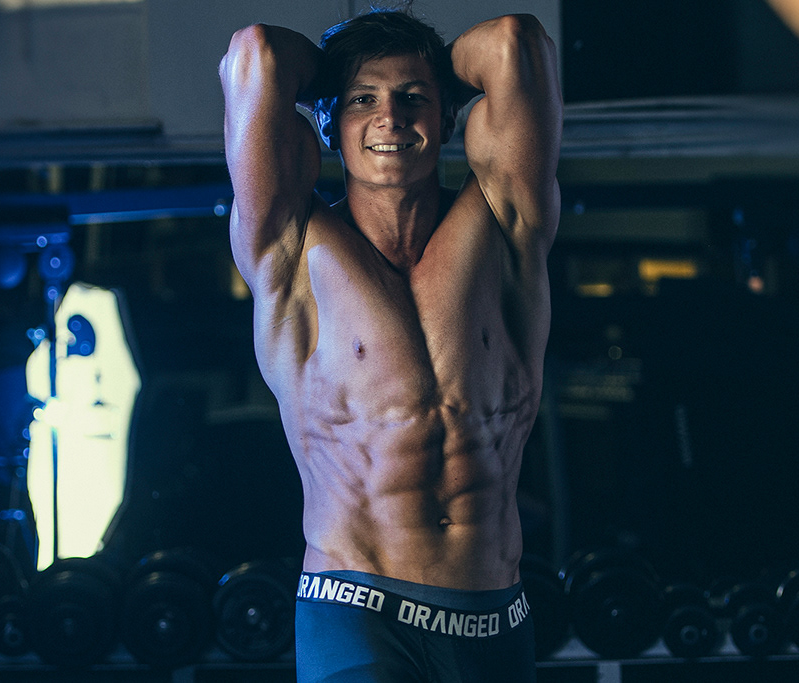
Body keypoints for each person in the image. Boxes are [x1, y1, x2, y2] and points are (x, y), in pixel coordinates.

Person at [220, 5, 561, 681]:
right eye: (363, 101)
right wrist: (346, 73)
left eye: (411, 99)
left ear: (449, 117)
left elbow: (515, 43)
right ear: (327, 122)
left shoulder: (504, 226)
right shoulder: (292, 247)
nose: (391, 119)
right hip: (357, 607)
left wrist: (413, 74)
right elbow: (256, 54)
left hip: (494, 614)